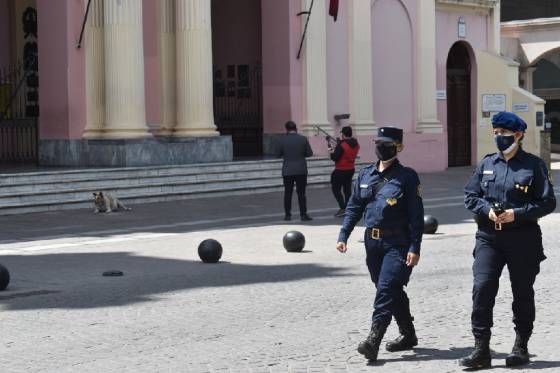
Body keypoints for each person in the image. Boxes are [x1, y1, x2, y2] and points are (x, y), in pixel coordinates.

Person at [460, 112, 556, 369]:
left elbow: (548, 202)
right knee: (482, 288)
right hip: (488, 237)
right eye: (496, 133)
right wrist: (487, 210)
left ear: (518, 135)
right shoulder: (487, 163)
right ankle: (481, 349)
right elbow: (470, 195)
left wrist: (516, 213)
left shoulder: (534, 166)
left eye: (503, 133)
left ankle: (520, 346)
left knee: (522, 292)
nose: (499, 137)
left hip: (522, 239)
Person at [336, 127, 424, 362]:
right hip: (372, 242)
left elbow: (416, 215)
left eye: (387, 143)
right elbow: (354, 206)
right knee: (388, 288)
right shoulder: (365, 175)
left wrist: (415, 247)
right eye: (379, 142)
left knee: (386, 288)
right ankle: (408, 334)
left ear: (399, 147)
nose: (381, 147)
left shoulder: (407, 177)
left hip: (398, 243)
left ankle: (373, 340)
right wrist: (343, 234)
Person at [276, 121, 314, 221]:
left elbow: (277, 154)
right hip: (301, 169)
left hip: (287, 170)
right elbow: (309, 153)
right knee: (301, 193)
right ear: (296, 128)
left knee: (288, 193)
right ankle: (303, 214)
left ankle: (287, 215)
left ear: (286, 129)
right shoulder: (303, 139)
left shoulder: (282, 140)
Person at [329, 126, 360, 217]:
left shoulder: (342, 145)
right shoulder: (356, 144)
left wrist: (331, 151)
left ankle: (343, 208)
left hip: (340, 170)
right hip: (350, 169)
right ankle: (348, 208)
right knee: (347, 190)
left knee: (336, 189)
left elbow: (335, 157)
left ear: (343, 134)